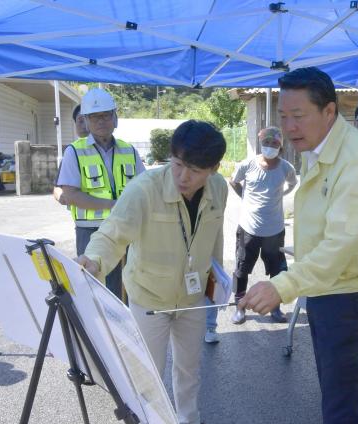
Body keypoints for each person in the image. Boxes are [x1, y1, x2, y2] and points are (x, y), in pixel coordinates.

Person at [239, 67, 358, 423]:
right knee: (338, 392)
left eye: (298, 116)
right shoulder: (321, 147)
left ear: (330, 111)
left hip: (352, 297)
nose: (289, 127)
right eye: (283, 116)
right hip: (329, 289)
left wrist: (283, 285)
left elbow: (340, 244)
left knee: (348, 402)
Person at [77, 120, 228, 424]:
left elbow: (215, 236)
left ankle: (188, 419)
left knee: (189, 370)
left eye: (195, 170)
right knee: (147, 375)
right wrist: (94, 261)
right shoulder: (144, 189)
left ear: (213, 168)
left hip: (192, 296)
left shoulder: (220, 188)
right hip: (148, 298)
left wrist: (218, 280)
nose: (183, 177)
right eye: (178, 164)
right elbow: (112, 234)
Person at [56, 88, 145, 300]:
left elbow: (144, 188)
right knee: (93, 287)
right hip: (90, 231)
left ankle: (125, 331)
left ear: (115, 117)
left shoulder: (129, 150)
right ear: (86, 120)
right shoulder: (74, 151)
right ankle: (99, 333)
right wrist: (112, 205)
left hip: (125, 228)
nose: (101, 121)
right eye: (94, 117)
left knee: (127, 285)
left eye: (105, 115)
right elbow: (71, 195)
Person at [228, 126, 297, 325]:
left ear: (280, 146)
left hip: (274, 230)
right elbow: (234, 181)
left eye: (274, 143)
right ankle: (239, 307)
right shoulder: (247, 164)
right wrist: (244, 196)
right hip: (248, 228)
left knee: (277, 270)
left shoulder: (286, 168)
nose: (269, 146)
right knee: (242, 269)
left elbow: (292, 184)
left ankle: (275, 307)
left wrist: (281, 196)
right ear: (261, 143)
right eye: (266, 143)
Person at [53, 104, 89, 205]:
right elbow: (57, 187)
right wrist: (62, 196)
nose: (84, 125)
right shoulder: (73, 151)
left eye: (88, 120)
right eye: (80, 121)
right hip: (84, 218)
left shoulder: (120, 149)